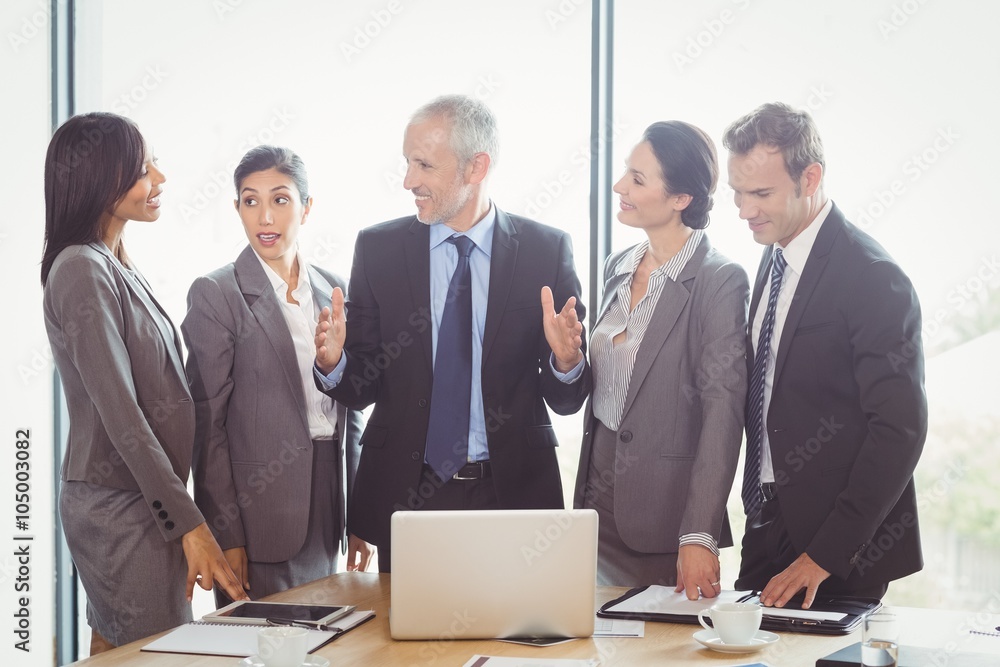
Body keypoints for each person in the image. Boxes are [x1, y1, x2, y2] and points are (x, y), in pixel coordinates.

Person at [313, 94, 591, 571]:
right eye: (407, 162)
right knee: (408, 643)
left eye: (424, 165)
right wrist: (333, 363)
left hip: (514, 494)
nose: (408, 181)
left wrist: (567, 363)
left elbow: (565, 400)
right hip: (409, 494)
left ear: (476, 167)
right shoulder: (379, 249)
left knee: (515, 641)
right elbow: (363, 390)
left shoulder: (546, 250)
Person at [41, 112, 246, 654]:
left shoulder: (113, 261)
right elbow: (122, 413)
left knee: (117, 648)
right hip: (122, 506)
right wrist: (190, 526)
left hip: (133, 498)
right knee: (161, 651)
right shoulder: (82, 269)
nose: (159, 179)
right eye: (142, 168)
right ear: (97, 181)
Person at [724, 102, 927, 608]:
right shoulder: (772, 256)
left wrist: (824, 555)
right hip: (764, 524)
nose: (745, 210)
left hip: (838, 549)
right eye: (738, 194)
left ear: (810, 177)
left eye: (761, 194)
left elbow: (900, 429)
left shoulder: (873, 275)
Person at [181, 146, 371, 605]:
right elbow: (208, 426)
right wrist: (225, 532)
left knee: (330, 645)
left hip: (330, 507)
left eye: (280, 200)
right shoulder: (217, 293)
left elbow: (354, 408)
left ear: (307, 207)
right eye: (251, 201)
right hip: (256, 515)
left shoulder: (333, 288)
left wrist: (360, 516)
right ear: (237, 208)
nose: (265, 216)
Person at [573, 121, 749, 596]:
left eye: (637, 178)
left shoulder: (720, 281)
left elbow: (723, 414)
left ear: (680, 199)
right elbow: (614, 386)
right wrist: (568, 355)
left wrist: (699, 533)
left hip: (665, 514)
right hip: (596, 501)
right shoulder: (618, 265)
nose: (619, 187)